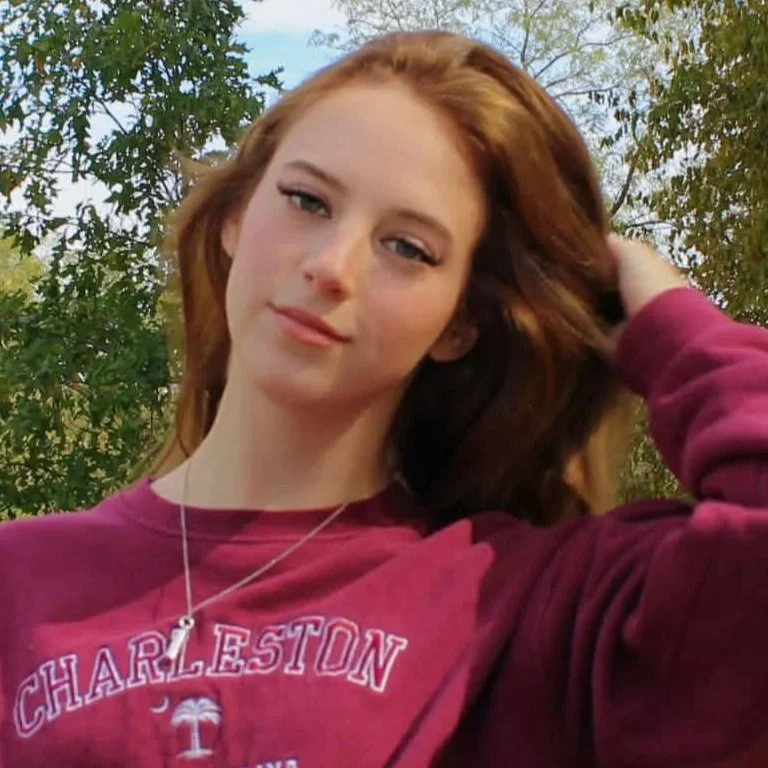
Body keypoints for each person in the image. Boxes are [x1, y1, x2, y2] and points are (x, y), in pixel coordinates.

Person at [0, 29, 766, 768]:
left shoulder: (525, 610)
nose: (332, 267)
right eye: (306, 200)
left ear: (460, 322)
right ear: (236, 215)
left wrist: (674, 326)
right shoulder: (21, 583)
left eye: (407, 248)